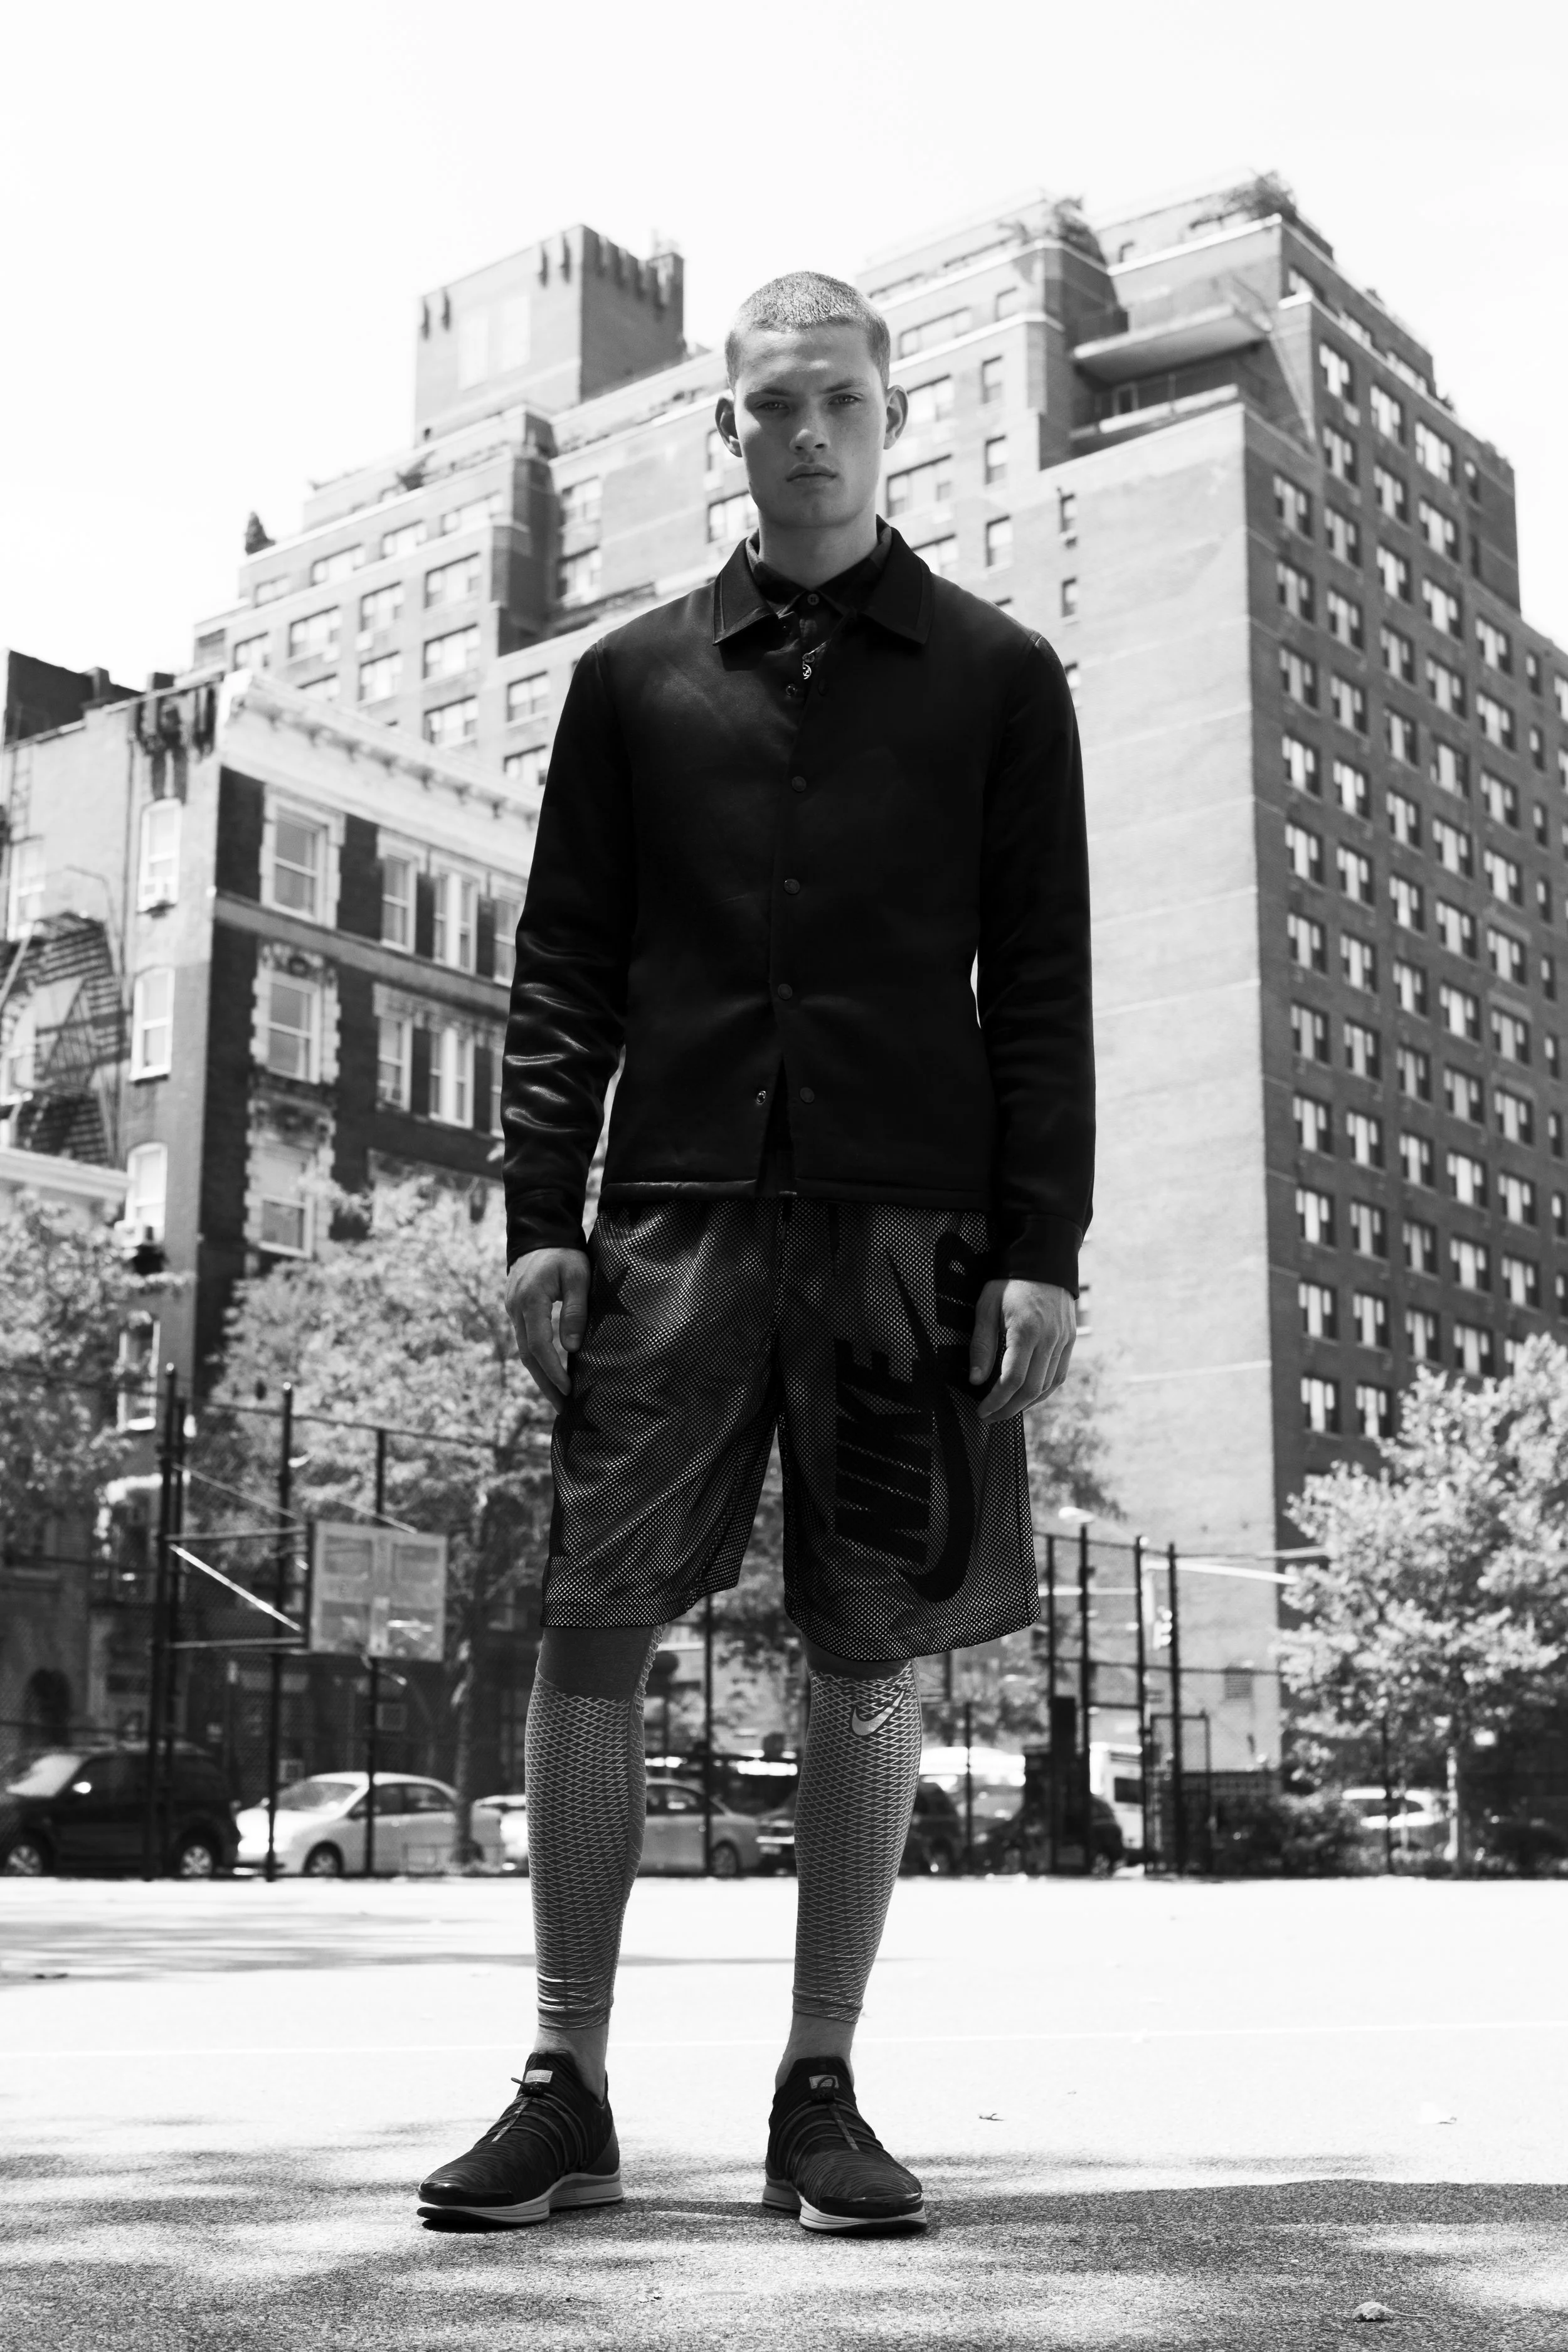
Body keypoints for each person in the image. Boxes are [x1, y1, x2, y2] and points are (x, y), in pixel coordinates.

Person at [418, 269, 1093, 2235]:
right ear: (725, 427)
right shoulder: (633, 680)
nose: (807, 432)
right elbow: (564, 964)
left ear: (893, 419)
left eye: (839, 401)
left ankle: (819, 2087)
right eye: (772, 402)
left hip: (910, 1217)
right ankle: (565, 2079)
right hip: (677, 1208)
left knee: (863, 1634)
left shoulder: (997, 676)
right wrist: (540, 1215)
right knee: (594, 1610)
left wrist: (1039, 1240)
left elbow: (1039, 977)